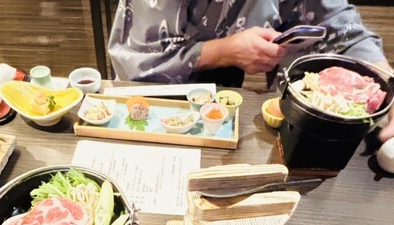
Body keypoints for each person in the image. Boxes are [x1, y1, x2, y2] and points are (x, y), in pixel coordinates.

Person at [108, 0, 394, 140]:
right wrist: (224, 51)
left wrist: (385, 80)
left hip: (226, 105)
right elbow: (139, 64)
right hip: (153, 106)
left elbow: (339, 26)